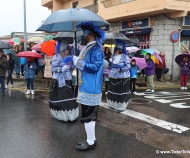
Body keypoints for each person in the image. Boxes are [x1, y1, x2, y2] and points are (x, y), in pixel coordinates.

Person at [73, 22, 105, 151]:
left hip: (91, 88)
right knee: (87, 116)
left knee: (89, 116)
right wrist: (75, 61)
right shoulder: (88, 47)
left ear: (91, 34)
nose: (83, 35)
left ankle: (91, 141)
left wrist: (78, 62)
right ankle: (90, 139)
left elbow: (95, 67)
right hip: (85, 87)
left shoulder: (96, 49)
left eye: (85, 33)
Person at [49, 39, 78, 122]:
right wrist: (62, 69)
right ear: (62, 50)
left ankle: (70, 115)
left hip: (68, 80)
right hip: (58, 81)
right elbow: (53, 68)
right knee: (60, 97)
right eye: (66, 49)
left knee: (69, 96)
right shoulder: (56, 57)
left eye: (68, 49)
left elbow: (71, 69)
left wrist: (72, 66)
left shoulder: (68, 57)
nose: (68, 51)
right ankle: (62, 115)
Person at [107, 40, 131, 112]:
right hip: (113, 75)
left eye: (117, 50)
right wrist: (109, 65)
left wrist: (121, 69)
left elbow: (128, 66)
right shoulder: (113, 56)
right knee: (113, 90)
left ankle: (120, 106)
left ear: (120, 50)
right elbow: (111, 64)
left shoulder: (125, 57)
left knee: (120, 91)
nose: (116, 51)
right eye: (115, 50)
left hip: (121, 76)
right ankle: (113, 104)